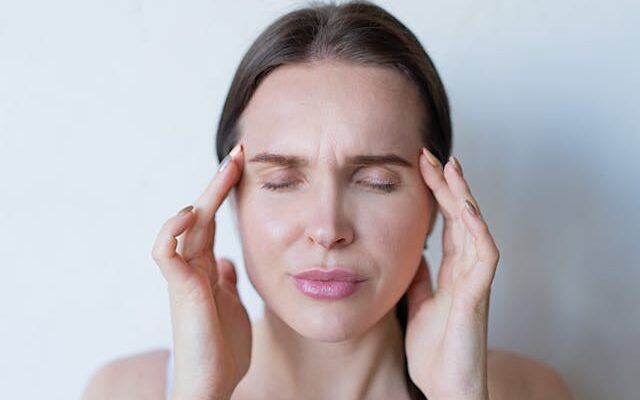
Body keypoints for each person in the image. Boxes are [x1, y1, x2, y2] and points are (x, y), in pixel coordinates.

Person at [82, 1, 574, 399]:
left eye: (376, 182)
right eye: (281, 181)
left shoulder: (531, 392)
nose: (327, 228)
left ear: (436, 208)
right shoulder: (125, 392)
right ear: (230, 202)